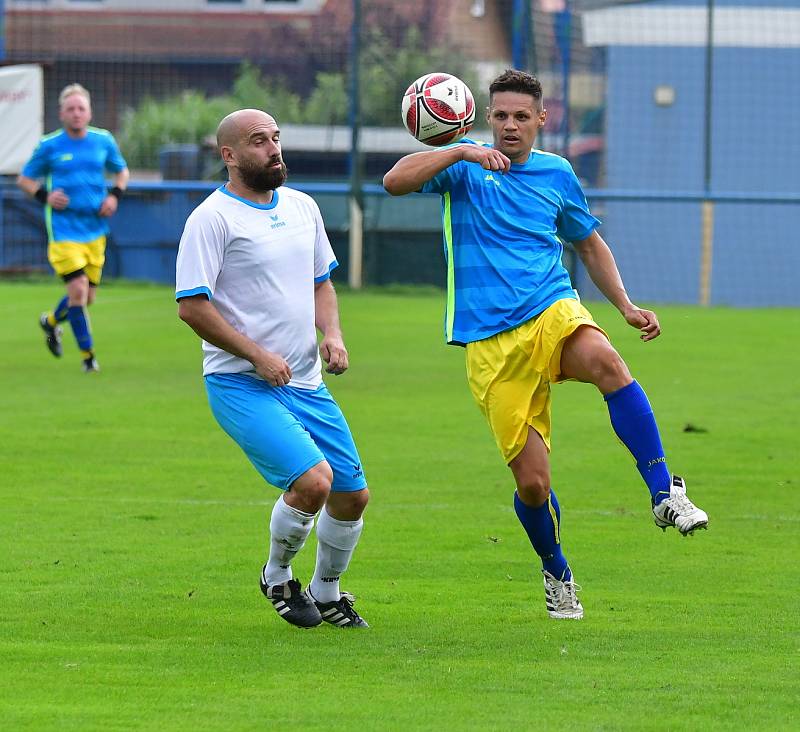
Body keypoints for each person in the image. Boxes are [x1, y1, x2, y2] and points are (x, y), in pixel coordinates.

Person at [383, 69, 708, 620]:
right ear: (488, 118)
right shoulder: (464, 167)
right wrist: (459, 153)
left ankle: (664, 492)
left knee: (608, 363)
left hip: (549, 309)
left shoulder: (557, 173)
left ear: (541, 119)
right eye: (501, 116)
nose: (510, 126)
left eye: (520, 116)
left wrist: (625, 307)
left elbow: (588, 243)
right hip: (489, 342)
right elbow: (395, 180)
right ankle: (556, 569)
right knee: (533, 486)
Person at [175, 109, 369, 629]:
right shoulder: (211, 219)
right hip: (241, 383)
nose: (274, 149)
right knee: (313, 482)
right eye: (259, 142)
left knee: (353, 495)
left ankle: (327, 591)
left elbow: (321, 282)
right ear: (230, 155)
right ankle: (278, 575)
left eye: (276, 138)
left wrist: (333, 334)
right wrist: (255, 354)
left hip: (306, 380)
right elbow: (192, 305)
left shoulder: (303, 207)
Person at [17, 83, 129, 373]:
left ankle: (51, 322)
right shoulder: (49, 145)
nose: (76, 113)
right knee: (78, 290)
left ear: (89, 112)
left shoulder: (103, 140)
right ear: (61, 113)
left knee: (86, 298)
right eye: (71, 109)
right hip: (63, 231)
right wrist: (44, 196)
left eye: (81, 108)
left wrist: (115, 195)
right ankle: (88, 358)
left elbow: (122, 171)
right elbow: (25, 180)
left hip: (95, 230)